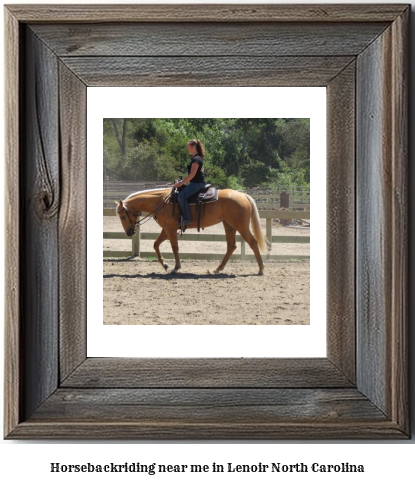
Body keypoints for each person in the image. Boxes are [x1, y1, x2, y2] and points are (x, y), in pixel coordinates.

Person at [173, 139, 206, 226]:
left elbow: (192, 175)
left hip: (197, 184)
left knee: (181, 196)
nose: (187, 149)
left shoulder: (196, 159)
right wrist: (182, 182)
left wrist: (180, 183)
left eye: (188, 147)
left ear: (193, 147)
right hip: (195, 183)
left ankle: (187, 219)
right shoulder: (196, 158)